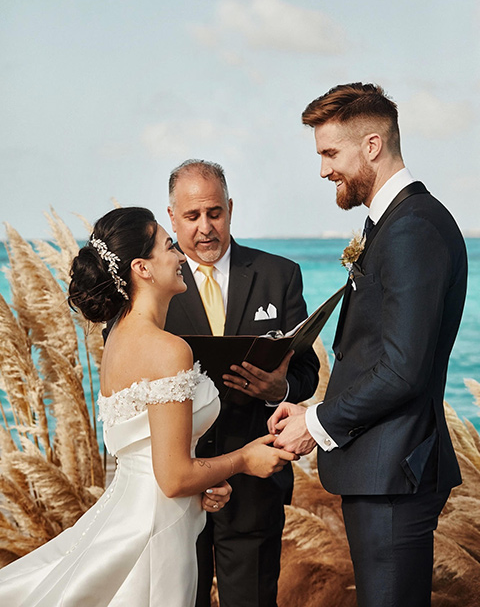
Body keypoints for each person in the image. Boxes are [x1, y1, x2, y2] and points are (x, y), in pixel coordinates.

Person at [0, 207, 296, 607]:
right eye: (168, 246)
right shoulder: (167, 350)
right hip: (156, 530)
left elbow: (149, 456)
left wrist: (203, 482)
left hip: (130, 511)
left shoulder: (118, 339)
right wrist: (243, 459)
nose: (178, 257)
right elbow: (173, 476)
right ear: (142, 267)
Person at [268, 82, 468, 607]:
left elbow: (404, 370)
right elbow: (378, 357)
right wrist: (312, 406)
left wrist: (316, 425)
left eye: (331, 153)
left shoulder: (412, 230)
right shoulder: (393, 224)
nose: (323, 170)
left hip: (394, 474)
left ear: (372, 146)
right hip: (383, 470)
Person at [165, 160, 320, 607]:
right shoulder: (151, 284)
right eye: (192, 217)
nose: (205, 227)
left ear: (230, 208)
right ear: (172, 217)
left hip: (256, 486)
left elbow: (305, 370)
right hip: (176, 488)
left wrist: (281, 390)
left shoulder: (280, 274)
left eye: (214, 212)